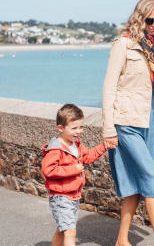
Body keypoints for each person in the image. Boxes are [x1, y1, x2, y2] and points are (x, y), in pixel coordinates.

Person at [102, 0, 154, 246]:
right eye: (150, 20)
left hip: (146, 125)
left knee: (135, 184)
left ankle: (122, 239)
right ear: (140, 17)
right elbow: (109, 88)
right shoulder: (123, 45)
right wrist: (108, 129)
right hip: (125, 123)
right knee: (151, 178)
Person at [41, 104, 109, 246]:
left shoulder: (76, 144)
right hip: (60, 196)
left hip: (73, 195)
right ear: (61, 128)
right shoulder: (56, 149)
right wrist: (73, 169)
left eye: (81, 127)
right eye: (74, 128)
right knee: (70, 232)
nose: (78, 131)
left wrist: (105, 145)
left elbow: (88, 156)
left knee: (62, 229)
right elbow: (48, 171)